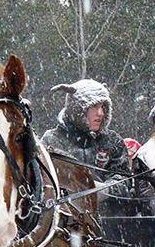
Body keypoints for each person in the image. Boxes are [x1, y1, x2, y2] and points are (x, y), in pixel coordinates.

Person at [41, 79, 134, 215]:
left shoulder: (112, 140)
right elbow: (43, 184)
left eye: (103, 107)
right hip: (65, 220)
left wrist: (105, 190)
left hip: (109, 220)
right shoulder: (51, 140)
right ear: (77, 109)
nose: (100, 113)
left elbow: (126, 181)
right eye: (94, 106)